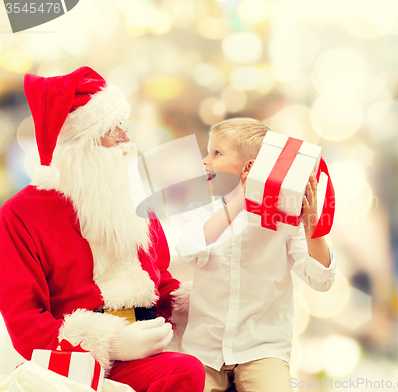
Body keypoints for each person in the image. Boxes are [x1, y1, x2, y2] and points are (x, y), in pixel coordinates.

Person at [0, 67, 205, 392]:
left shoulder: (131, 196)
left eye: (124, 127)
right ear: (78, 144)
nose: (126, 140)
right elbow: (26, 326)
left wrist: (200, 300)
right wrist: (113, 341)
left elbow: (159, 280)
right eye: (113, 130)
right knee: (184, 372)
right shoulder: (19, 216)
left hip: (151, 346)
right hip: (77, 366)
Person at [176, 118, 336, 392]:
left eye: (216, 153)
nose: (205, 161)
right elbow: (188, 250)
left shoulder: (285, 216)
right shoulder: (202, 206)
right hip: (204, 348)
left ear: (249, 167)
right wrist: (240, 202)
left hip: (263, 347)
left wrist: (312, 227)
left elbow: (321, 280)